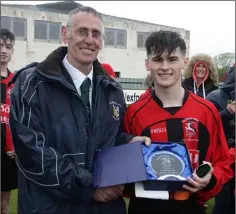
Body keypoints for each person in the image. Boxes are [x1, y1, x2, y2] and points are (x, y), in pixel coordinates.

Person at [9, 6, 149, 214]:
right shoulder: (31, 84)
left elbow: (106, 140)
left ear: (102, 40)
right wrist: (89, 186)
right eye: (82, 31)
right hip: (49, 207)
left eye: (96, 34)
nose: (89, 40)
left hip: (104, 208)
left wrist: (127, 142)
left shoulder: (112, 89)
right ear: (65, 35)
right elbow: (31, 152)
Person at [123, 30, 233, 214]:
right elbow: (123, 168)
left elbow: (223, 161)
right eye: (158, 59)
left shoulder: (207, 111)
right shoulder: (134, 112)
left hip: (191, 207)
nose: (165, 66)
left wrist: (210, 180)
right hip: (144, 208)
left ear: (185, 62)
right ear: (147, 63)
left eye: (172, 59)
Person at [206, 65, 235, 214]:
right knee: (223, 201)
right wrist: (227, 112)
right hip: (223, 156)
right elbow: (208, 125)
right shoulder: (215, 96)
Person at [1, 28, 18, 214]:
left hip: (7, 154)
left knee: (4, 204)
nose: (3, 50)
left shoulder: (17, 83)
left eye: (8, 46)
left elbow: (19, 118)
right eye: (0, 45)